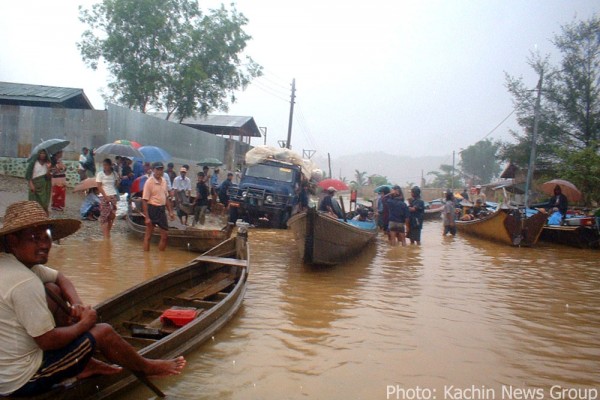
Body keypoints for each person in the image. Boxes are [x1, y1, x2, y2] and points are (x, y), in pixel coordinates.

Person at [0, 201, 186, 397]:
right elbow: (47, 341)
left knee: (52, 288)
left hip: (5, 369)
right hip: (22, 379)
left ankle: (84, 363)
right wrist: (85, 323)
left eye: (46, 237)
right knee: (103, 332)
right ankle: (147, 366)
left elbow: (60, 278)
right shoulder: (24, 282)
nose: (45, 245)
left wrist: (77, 305)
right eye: (35, 238)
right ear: (12, 240)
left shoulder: (13, 262)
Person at [142, 162, 175, 251]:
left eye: (161, 169)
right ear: (153, 170)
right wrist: (147, 218)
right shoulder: (149, 182)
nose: (159, 172)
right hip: (152, 209)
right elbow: (144, 200)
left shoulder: (164, 181)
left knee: (165, 236)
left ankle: (161, 258)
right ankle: (146, 259)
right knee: (148, 236)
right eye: (157, 169)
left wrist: (170, 211)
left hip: (161, 210)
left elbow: (166, 197)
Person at [96, 158, 119, 239]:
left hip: (113, 195)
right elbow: (99, 186)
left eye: (106, 165)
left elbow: (116, 184)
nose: (104, 167)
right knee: (104, 216)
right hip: (103, 196)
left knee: (112, 215)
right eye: (104, 165)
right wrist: (106, 197)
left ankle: (107, 233)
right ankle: (106, 236)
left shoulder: (114, 174)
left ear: (110, 166)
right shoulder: (100, 174)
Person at [26, 149, 52, 213]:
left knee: (43, 202)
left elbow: (48, 177)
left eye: (44, 153)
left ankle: (42, 217)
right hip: (34, 184)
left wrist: (48, 168)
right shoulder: (33, 163)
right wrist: (31, 184)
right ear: (38, 154)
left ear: (46, 155)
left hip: (44, 186)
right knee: (33, 203)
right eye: (41, 153)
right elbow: (28, 175)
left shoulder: (47, 164)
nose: (42, 155)